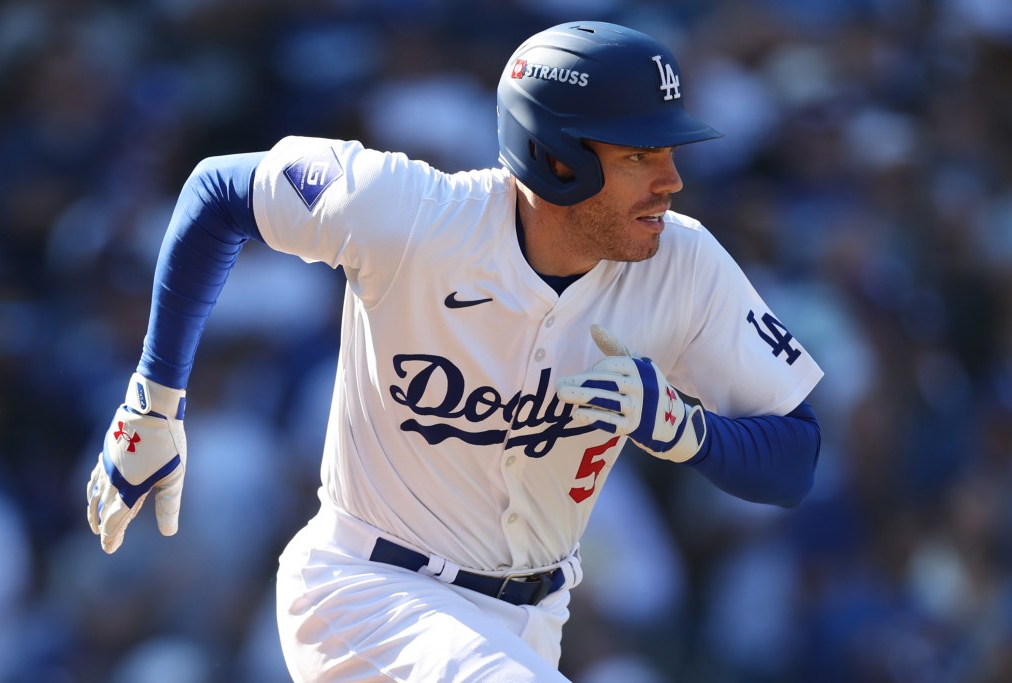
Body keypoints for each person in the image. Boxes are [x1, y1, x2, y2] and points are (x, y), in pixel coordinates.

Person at [86, 21, 823, 682]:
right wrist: (153, 400)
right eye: (641, 152)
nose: (672, 180)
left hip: (532, 622)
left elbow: (797, 454)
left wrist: (682, 428)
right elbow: (219, 191)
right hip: (366, 590)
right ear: (558, 157)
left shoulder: (683, 264)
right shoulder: (413, 214)